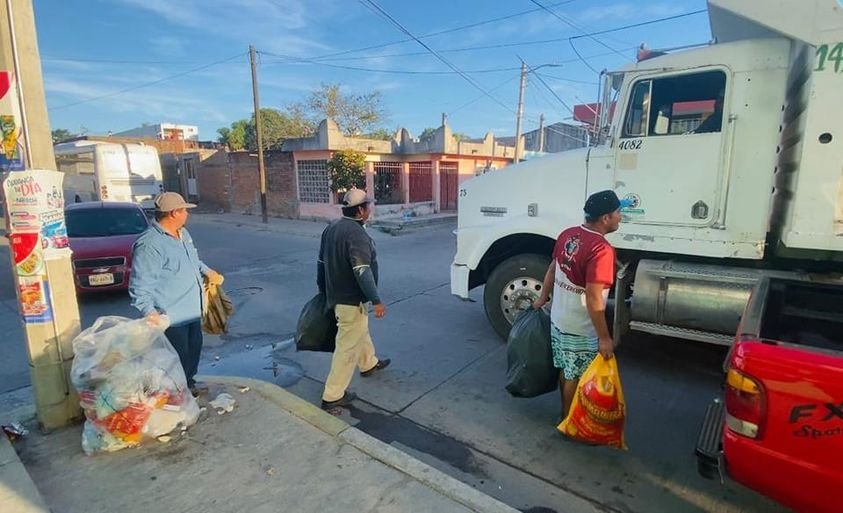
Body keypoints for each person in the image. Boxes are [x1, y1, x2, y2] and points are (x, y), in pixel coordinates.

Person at [534, 190, 629, 422]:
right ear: (605, 218)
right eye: (618, 212)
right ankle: (570, 421)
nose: (620, 217)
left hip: (559, 319)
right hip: (580, 326)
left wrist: (542, 298)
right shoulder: (601, 249)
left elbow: (551, 268)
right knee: (576, 376)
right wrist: (604, 338)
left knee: (567, 372)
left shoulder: (568, 234)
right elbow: (594, 298)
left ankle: (566, 416)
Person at [129, 192, 222, 396]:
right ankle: (175, 397)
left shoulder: (183, 234)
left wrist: (207, 271)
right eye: (184, 210)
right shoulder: (150, 244)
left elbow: (193, 261)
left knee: (193, 352)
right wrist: (148, 311)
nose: (187, 214)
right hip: (170, 316)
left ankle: (189, 386)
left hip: (192, 311)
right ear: (174, 213)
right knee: (175, 360)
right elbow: (140, 284)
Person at [317, 188, 390, 411]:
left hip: (338, 297)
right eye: (368, 206)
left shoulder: (331, 228)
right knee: (347, 347)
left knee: (360, 330)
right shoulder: (357, 234)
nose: (370, 209)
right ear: (360, 210)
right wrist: (375, 300)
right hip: (350, 301)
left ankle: (369, 363)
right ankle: (332, 395)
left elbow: (321, 264)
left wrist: (323, 292)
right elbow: (362, 270)